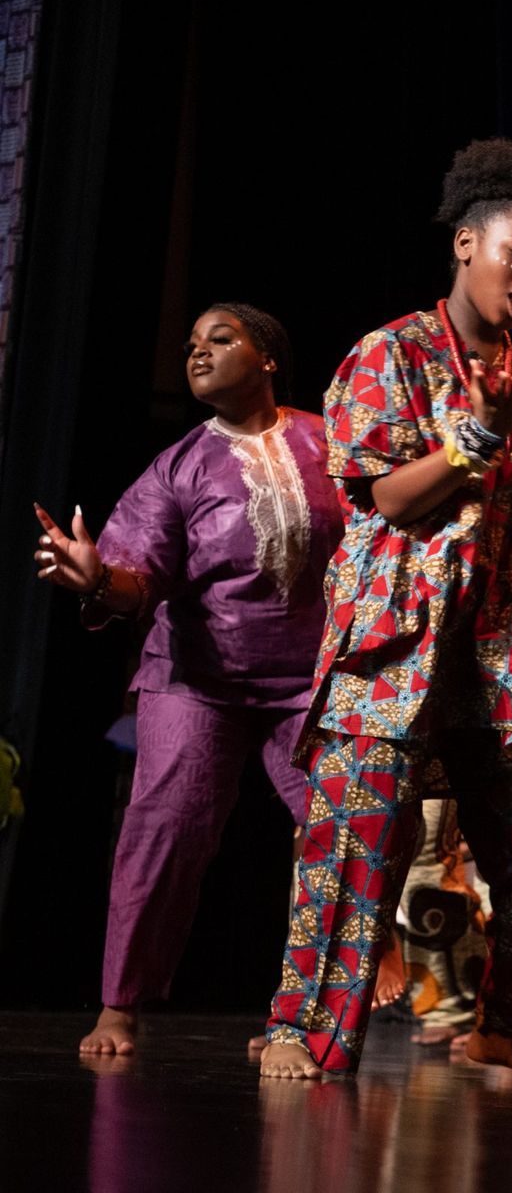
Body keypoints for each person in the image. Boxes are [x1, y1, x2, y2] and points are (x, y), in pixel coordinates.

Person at [258, 139, 512, 1083]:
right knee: (360, 842)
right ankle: (302, 1029)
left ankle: (502, 1022)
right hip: (397, 641)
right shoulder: (387, 353)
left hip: (505, 645)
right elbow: (389, 498)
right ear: (466, 242)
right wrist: (468, 443)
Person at [33, 304, 343, 1059]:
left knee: (343, 826)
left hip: (308, 678)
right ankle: (121, 1004)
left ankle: (320, 1008)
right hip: (197, 677)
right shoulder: (178, 465)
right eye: (191, 345)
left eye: (220, 339)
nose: (197, 353)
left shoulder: (328, 439)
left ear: (268, 357)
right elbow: (140, 577)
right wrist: (97, 578)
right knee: (166, 829)